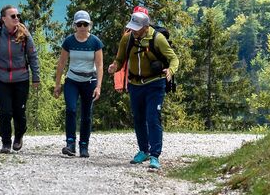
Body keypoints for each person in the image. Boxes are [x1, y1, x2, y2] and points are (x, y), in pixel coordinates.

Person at [108, 10, 179, 169]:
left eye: (136, 28)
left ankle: (155, 155)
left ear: (146, 27)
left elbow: (173, 58)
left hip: (155, 83)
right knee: (139, 118)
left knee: (152, 117)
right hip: (135, 85)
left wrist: (170, 70)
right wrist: (115, 67)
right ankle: (143, 150)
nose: (133, 30)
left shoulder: (157, 39)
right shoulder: (127, 39)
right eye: (132, 27)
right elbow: (120, 59)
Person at [0, 5, 39, 154]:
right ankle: (6, 142)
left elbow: (33, 56)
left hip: (21, 79)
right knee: (5, 112)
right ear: (3, 19)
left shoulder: (24, 34)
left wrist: (36, 78)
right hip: (1, 79)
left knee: (19, 111)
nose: (17, 18)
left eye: (18, 15)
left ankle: (18, 136)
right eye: (13, 16)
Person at [52, 10, 103, 158]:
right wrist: (57, 84)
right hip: (72, 81)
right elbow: (62, 63)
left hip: (89, 82)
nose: (82, 27)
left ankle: (84, 145)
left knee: (86, 114)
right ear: (75, 25)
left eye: (85, 24)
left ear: (89, 25)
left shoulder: (95, 42)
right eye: (79, 24)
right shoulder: (69, 41)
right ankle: (70, 143)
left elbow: (99, 65)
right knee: (71, 110)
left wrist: (98, 86)